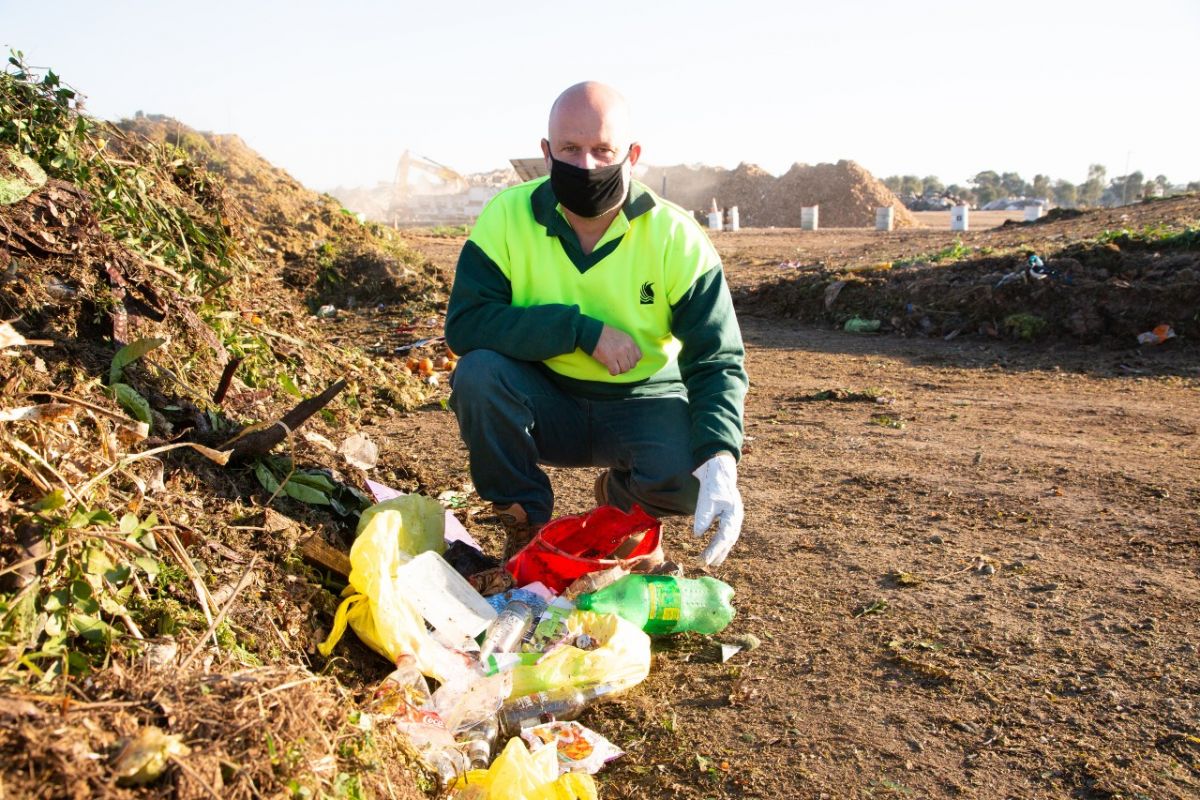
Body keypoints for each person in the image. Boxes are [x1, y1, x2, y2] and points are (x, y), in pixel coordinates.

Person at [444, 81, 748, 568]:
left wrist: (720, 455)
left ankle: (624, 513)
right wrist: (580, 331)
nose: (585, 165)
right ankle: (525, 524)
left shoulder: (675, 236)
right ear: (546, 153)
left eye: (602, 150)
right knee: (479, 376)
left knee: (689, 467)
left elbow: (717, 358)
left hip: (641, 402)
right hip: (545, 400)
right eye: (570, 148)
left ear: (632, 154)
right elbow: (466, 325)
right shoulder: (506, 216)